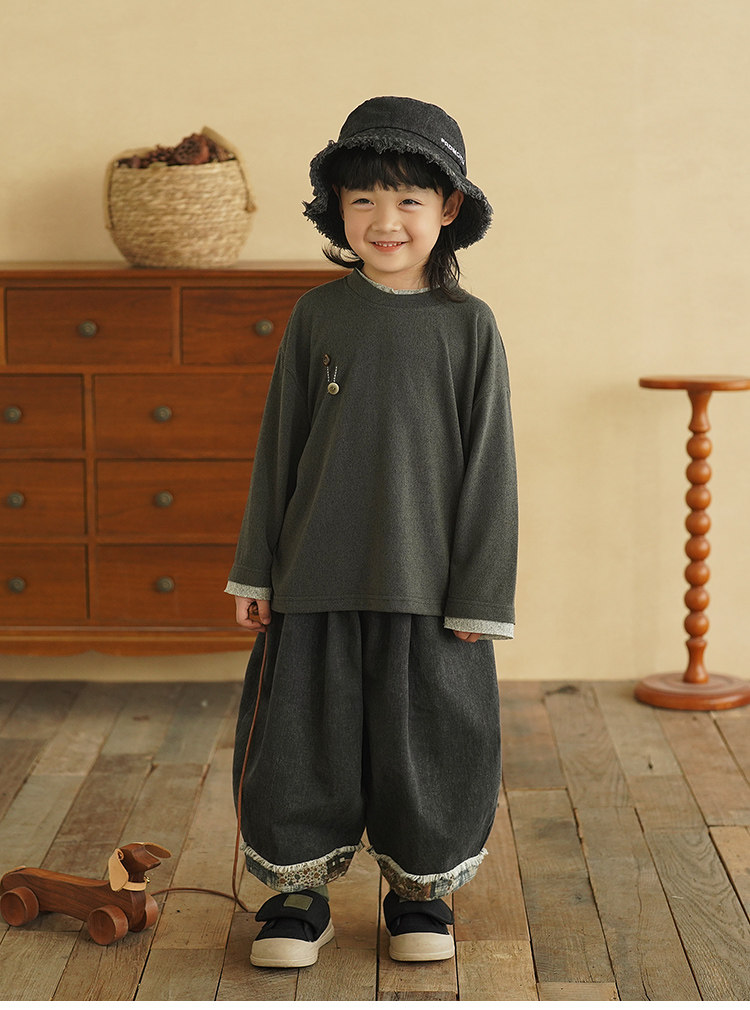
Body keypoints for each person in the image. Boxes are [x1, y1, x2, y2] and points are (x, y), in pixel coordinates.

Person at [226, 96, 517, 969]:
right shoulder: (317, 315)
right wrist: (255, 571)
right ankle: (297, 897)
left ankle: (417, 894)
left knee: (428, 743)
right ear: (338, 210)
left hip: (428, 587)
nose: (384, 221)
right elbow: (278, 448)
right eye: (363, 200)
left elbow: (490, 471)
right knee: (298, 742)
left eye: (408, 200)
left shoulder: (469, 327)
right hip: (314, 576)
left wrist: (480, 596)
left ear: (448, 208)